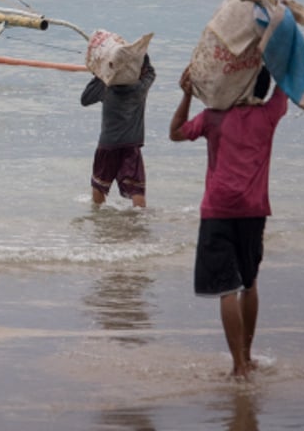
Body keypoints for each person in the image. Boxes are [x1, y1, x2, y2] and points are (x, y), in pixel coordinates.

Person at [169, 65, 287, 379]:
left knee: (227, 290)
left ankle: (238, 366)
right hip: (254, 211)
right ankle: (247, 357)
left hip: (218, 210)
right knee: (249, 284)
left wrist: (187, 95)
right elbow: (288, 82)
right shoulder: (269, 115)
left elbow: (175, 132)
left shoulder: (213, 118)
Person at [80, 54, 156, 208]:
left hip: (108, 145)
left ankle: (98, 218)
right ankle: (139, 221)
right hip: (131, 145)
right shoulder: (141, 88)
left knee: (99, 184)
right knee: (137, 190)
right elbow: (150, 73)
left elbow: (85, 99)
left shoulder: (106, 87)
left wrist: (100, 74)